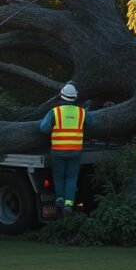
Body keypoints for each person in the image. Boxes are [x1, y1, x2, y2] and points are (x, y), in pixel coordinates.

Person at [39, 82, 94, 216]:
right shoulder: (81, 112)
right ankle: (69, 204)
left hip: (58, 151)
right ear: (75, 98)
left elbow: (43, 128)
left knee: (59, 178)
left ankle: (59, 200)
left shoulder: (55, 112)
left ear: (61, 96)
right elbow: (93, 123)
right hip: (75, 151)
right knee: (71, 178)